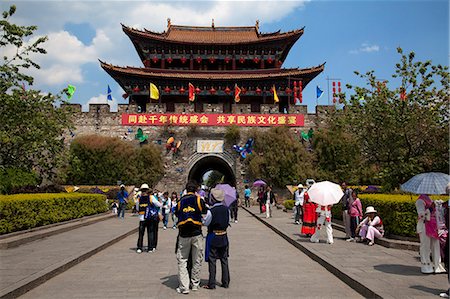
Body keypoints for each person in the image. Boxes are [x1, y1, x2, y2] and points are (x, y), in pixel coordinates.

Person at [175, 181, 208, 294]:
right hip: (196, 233)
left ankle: (184, 286)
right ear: (195, 190)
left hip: (184, 234)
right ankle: (195, 284)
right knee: (196, 260)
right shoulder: (199, 200)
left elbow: (176, 213)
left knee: (182, 260)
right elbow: (205, 211)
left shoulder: (180, 201)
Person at [202, 188, 230, 290]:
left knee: (212, 260)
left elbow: (206, 223)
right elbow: (228, 220)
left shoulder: (211, 210)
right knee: (224, 259)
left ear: (213, 198)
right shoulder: (226, 209)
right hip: (224, 236)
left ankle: (212, 283)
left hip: (213, 236)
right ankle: (225, 282)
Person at [415, 194, 446, 274]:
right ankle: (426, 265)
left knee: (436, 245)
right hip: (424, 225)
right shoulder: (420, 201)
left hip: (433, 225)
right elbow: (421, 215)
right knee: (425, 246)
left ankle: (437, 265)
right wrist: (430, 209)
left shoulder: (431, 199)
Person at [136, 183, 162, 253]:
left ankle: (139, 247)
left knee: (141, 234)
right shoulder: (151, 197)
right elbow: (159, 204)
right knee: (150, 232)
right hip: (149, 218)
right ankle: (150, 248)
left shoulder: (139, 199)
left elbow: (137, 208)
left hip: (142, 218)